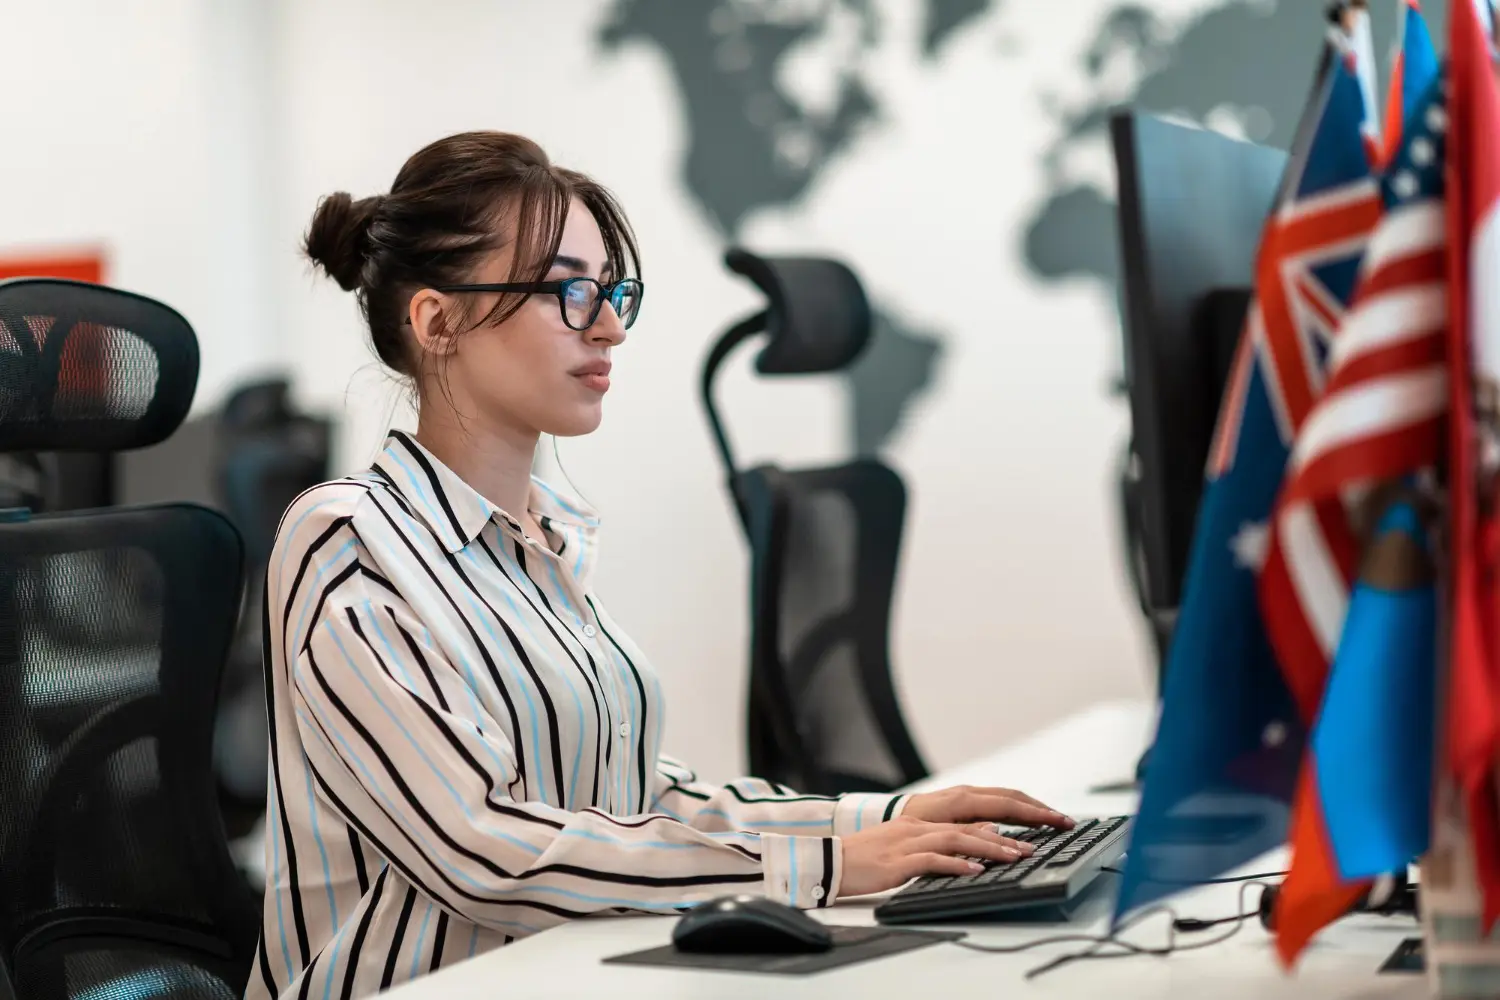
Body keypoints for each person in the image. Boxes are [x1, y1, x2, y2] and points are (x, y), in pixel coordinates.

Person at [250, 130, 1073, 1000]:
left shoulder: (544, 538)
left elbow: (635, 801)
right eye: (568, 291)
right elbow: (483, 849)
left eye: (611, 292)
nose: (609, 327)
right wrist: (823, 867)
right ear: (437, 321)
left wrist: (882, 818)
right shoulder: (351, 543)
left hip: (560, 978)